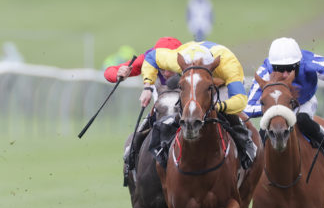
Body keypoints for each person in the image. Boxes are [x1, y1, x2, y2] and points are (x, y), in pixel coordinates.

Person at [141, 41, 257, 169]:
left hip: (221, 83)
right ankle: (161, 147)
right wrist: (147, 86)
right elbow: (151, 57)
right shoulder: (175, 59)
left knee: (228, 113)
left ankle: (245, 144)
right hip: (192, 82)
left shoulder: (229, 65)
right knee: (179, 107)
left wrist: (217, 107)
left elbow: (240, 100)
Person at [245, 37, 324, 177]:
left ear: (299, 63)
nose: (286, 74)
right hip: (275, 107)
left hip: (304, 102)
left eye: (291, 68)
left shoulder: (310, 63)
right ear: (272, 66)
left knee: (303, 120)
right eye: (280, 69)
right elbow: (248, 108)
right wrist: (272, 109)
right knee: (263, 131)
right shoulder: (265, 70)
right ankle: (254, 170)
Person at [106, 37, 182, 185]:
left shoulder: (190, 60)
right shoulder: (147, 59)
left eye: (170, 67)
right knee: (131, 145)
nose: (165, 73)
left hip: (188, 115)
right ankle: (133, 176)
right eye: (161, 67)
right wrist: (118, 73)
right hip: (158, 115)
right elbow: (110, 72)